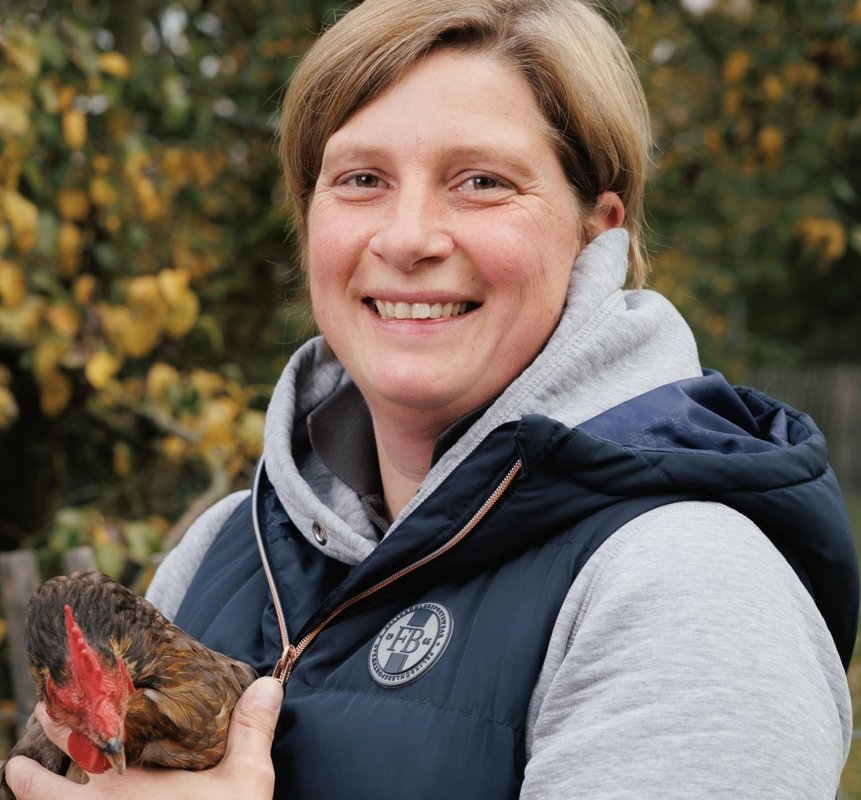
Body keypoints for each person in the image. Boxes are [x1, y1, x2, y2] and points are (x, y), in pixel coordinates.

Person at [6, 0, 858, 797]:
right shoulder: (225, 546)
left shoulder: (685, 587)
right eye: (361, 179)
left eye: (481, 181)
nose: (408, 237)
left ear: (597, 230)